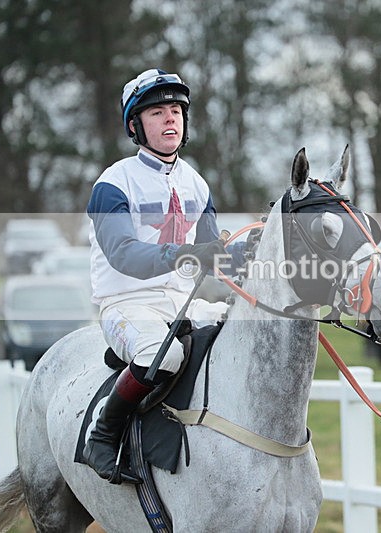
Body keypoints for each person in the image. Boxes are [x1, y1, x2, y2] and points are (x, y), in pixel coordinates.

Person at [83, 68, 237, 484]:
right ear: (135, 126)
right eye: (156, 112)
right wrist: (188, 253)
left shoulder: (198, 185)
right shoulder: (112, 184)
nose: (170, 118)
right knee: (164, 355)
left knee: (244, 329)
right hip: (127, 304)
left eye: (176, 110)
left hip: (182, 302)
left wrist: (249, 253)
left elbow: (214, 260)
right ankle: (103, 431)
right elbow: (123, 254)